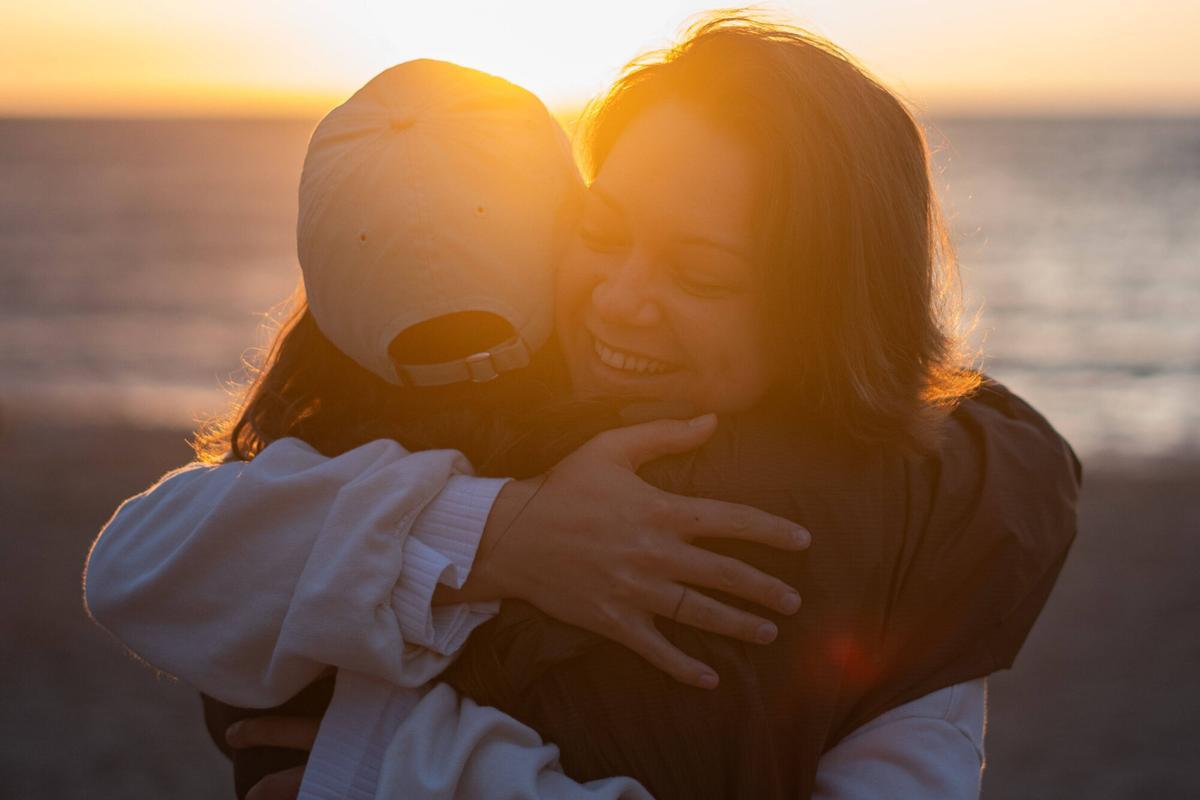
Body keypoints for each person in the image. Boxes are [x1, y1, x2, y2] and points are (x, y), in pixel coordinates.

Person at [86, 15, 1079, 800]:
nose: (619, 297)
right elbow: (143, 561)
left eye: (700, 273)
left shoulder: (912, 527)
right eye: (603, 230)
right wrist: (504, 533)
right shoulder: (485, 391)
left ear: (826, 311)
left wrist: (399, 763)